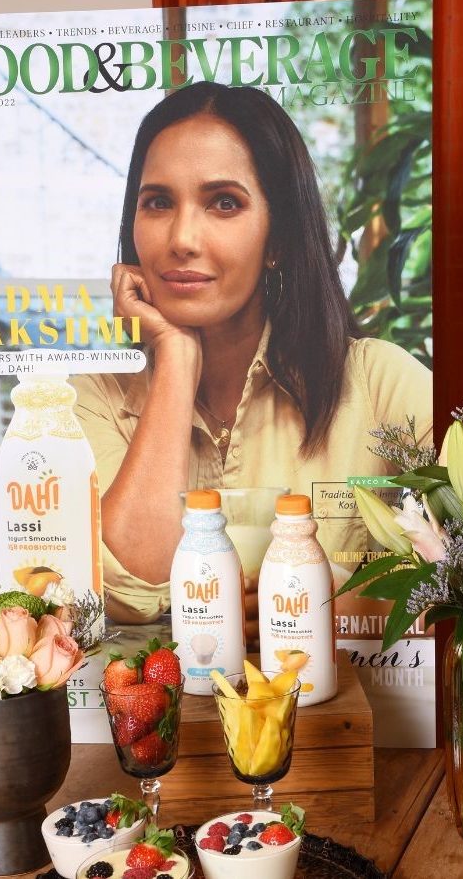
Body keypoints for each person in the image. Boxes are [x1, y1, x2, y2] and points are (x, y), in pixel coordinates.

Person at [73, 81, 432, 626]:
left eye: (224, 203)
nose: (182, 238)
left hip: (335, 687)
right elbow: (134, 587)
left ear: (278, 239)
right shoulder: (94, 400)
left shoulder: (380, 384)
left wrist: (321, 600)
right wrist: (175, 360)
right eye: (158, 202)